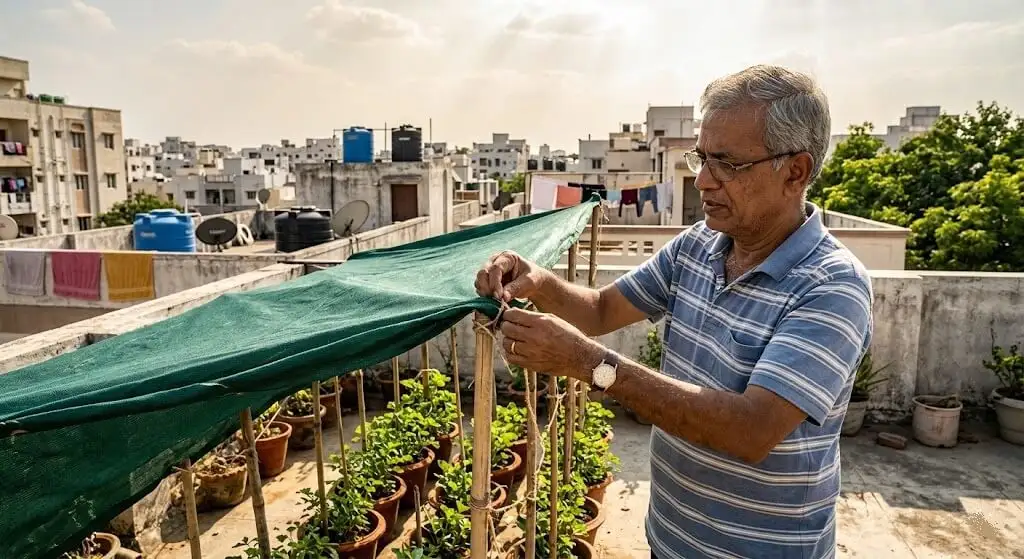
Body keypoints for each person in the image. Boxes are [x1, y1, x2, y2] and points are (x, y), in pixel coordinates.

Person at [474, 65, 873, 559]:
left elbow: (750, 430)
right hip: (671, 538)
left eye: (727, 164)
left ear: (795, 171)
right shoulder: (699, 245)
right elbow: (600, 309)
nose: (702, 180)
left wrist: (588, 365)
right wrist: (536, 278)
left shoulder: (832, 285)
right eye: (702, 157)